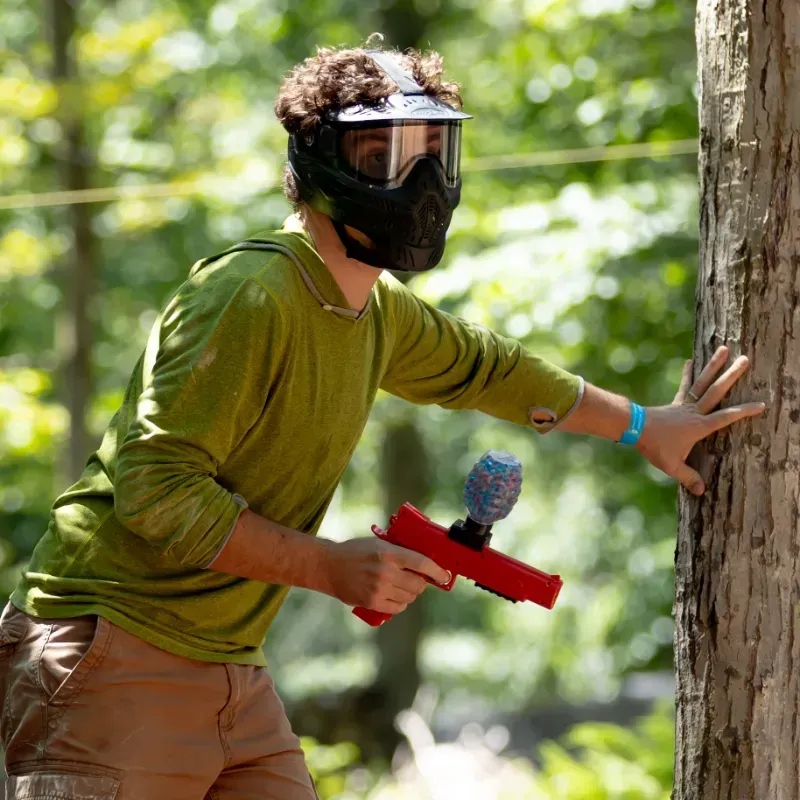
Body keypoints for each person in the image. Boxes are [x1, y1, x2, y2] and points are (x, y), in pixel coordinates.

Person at [0, 43, 764, 800]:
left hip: (228, 662)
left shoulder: (377, 313)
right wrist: (329, 567)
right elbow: (154, 490)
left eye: (436, 154)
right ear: (321, 163)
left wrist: (642, 426)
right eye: (387, 155)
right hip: (109, 650)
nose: (422, 183)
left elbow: (493, 369)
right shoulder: (250, 294)